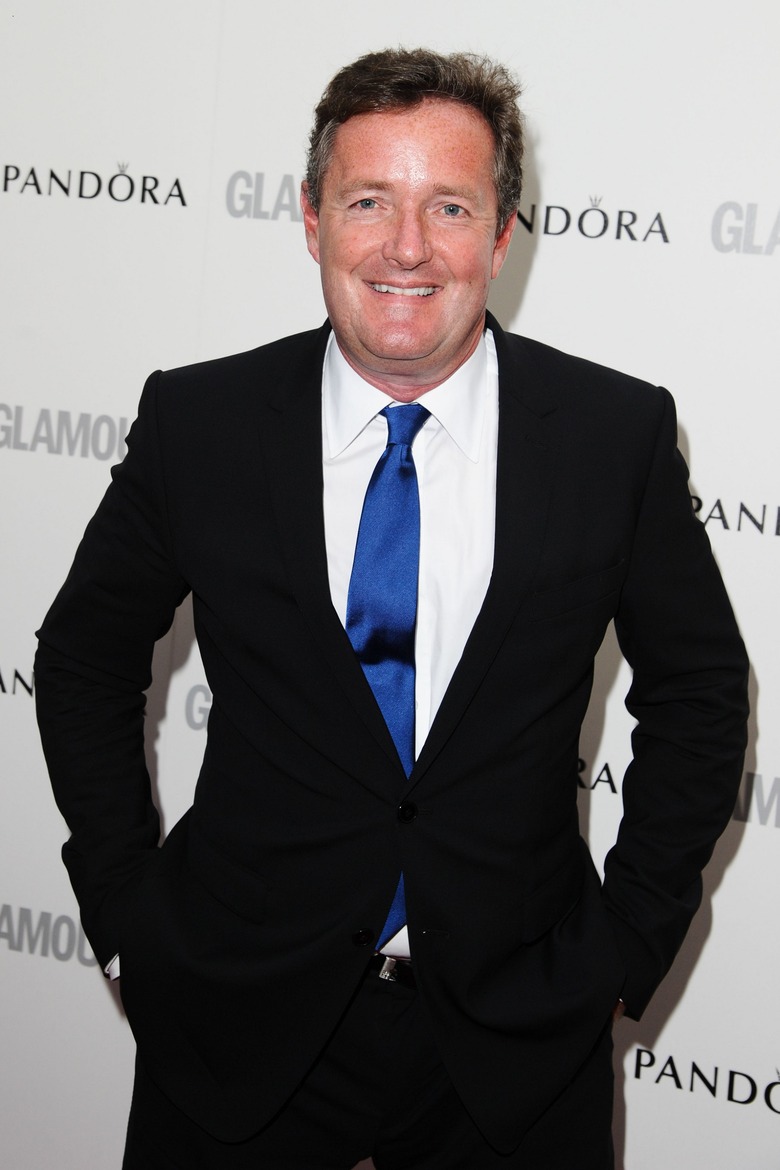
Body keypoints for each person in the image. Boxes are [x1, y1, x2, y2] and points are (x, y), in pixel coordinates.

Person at [35, 48, 749, 1170]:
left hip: (517, 1041)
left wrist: (629, 941)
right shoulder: (200, 422)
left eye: (449, 206)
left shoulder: (614, 436)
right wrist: (125, 908)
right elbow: (84, 657)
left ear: (501, 237)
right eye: (369, 201)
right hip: (234, 1020)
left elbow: (701, 692)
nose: (406, 247)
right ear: (312, 219)